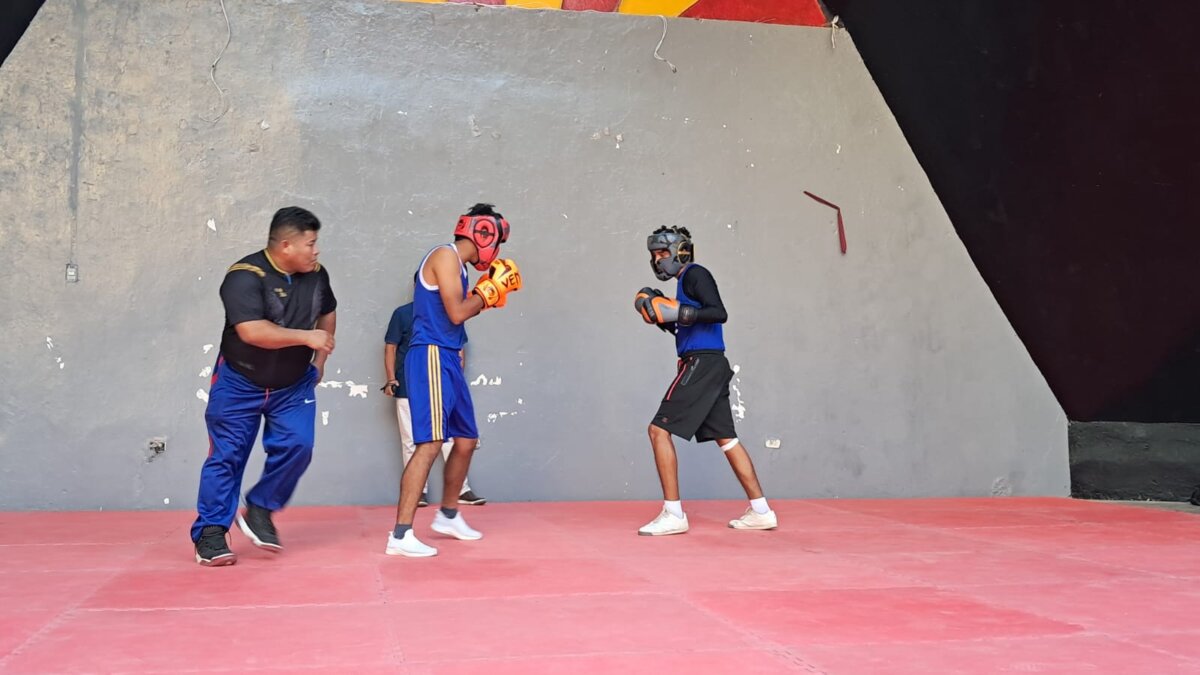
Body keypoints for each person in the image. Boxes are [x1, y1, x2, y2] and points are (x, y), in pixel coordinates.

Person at [191, 206, 337, 566]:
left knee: (299, 445)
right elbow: (252, 332)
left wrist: (319, 362)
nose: (316, 251)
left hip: (293, 385)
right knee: (227, 456)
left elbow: (328, 312)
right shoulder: (244, 277)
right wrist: (309, 338)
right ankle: (210, 534)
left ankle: (260, 508)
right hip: (240, 381)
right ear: (286, 246)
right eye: (310, 244)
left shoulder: (317, 276)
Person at [386, 203, 521, 557]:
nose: (498, 251)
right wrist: (488, 291)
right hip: (430, 353)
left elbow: (459, 315)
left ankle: (448, 514)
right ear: (484, 233)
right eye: (497, 241)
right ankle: (400, 535)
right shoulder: (445, 257)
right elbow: (458, 312)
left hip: (448, 355)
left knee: (465, 439)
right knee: (430, 443)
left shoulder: (458, 267)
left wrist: (485, 294)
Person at [633, 225, 778, 536]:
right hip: (709, 362)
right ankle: (761, 510)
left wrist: (679, 312)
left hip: (702, 363)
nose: (658, 260)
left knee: (658, 430)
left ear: (679, 250)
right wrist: (662, 319)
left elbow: (718, 313)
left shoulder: (695, 274)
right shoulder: (683, 284)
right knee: (727, 438)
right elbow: (689, 323)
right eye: (654, 254)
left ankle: (673, 514)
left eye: (662, 252)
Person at [383, 301, 486, 507]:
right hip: (408, 386)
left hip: (442, 386)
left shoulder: (453, 312)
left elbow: (460, 350)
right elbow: (390, 347)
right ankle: (418, 492)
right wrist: (391, 379)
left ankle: (461, 490)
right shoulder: (402, 313)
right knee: (411, 441)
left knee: (449, 438)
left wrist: (454, 381)